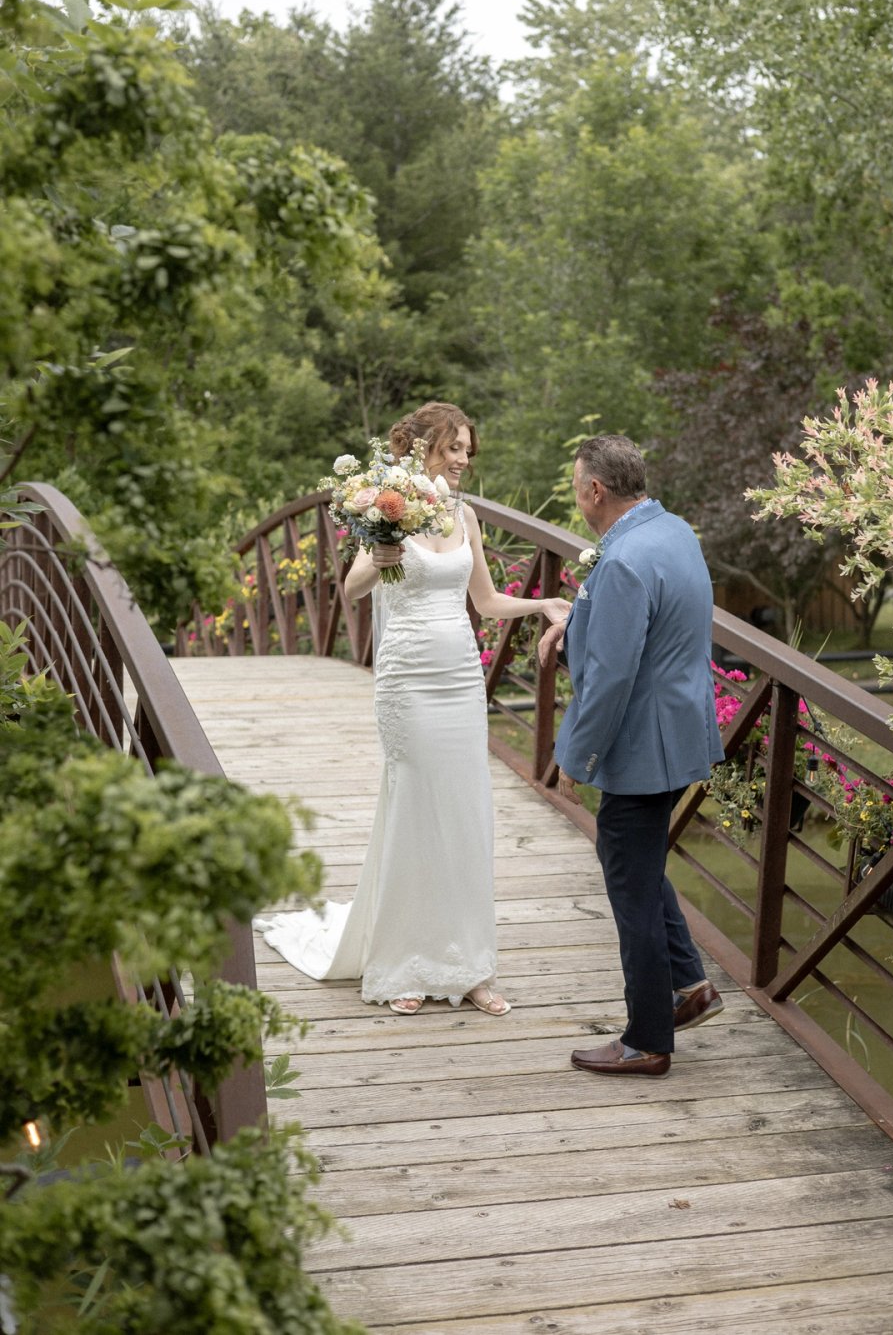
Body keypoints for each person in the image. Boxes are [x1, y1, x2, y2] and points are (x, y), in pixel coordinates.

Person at [256, 402, 569, 1016]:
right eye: (454, 448)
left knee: (464, 811)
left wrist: (542, 606)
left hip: (458, 680)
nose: (462, 461)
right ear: (425, 445)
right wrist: (379, 559)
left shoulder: (466, 514)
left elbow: (484, 601)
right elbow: (349, 589)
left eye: (467, 451)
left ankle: (471, 964)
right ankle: (406, 961)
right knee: (415, 810)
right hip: (406, 680)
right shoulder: (387, 507)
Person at [538, 435, 724, 1075]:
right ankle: (689, 987)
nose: (573, 491)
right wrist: (572, 633)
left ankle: (647, 1039)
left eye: (574, 481)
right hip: (680, 730)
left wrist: (574, 758)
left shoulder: (620, 561)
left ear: (595, 490)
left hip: (644, 744)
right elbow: (649, 627)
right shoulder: (671, 531)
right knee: (636, 863)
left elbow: (615, 676)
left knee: (629, 882)